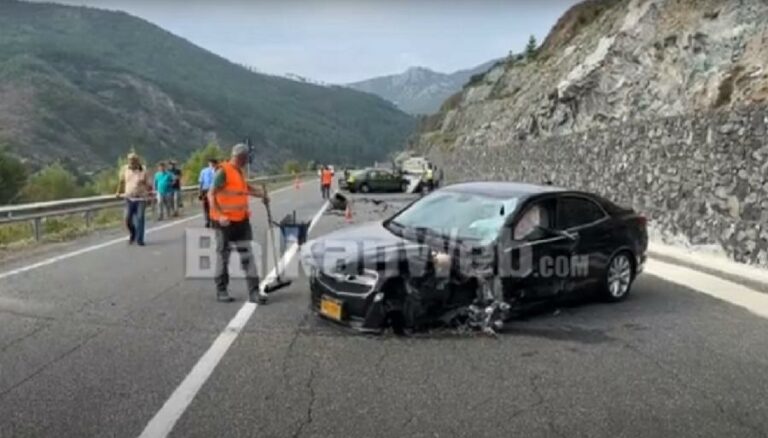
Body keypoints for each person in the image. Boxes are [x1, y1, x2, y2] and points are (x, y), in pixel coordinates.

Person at [209, 144, 270, 304]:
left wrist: (261, 194)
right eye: (247, 157)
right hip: (224, 223)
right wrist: (220, 215)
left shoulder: (238, 172)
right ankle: (221, 290)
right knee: (223, 256)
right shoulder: (223, 171)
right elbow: (211, 194)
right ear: (241, 157)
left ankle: (254, 292)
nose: (248, 160)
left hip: (241, 221)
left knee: (248, 256)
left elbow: (246, 188)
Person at [115, 152, 152, 246]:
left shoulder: (143, 170)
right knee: (127, 219)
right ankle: (133, 233)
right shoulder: (125, 169)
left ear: (137, 161)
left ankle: (140, 239)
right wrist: (118, 192)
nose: (131, 162)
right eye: (130, 160)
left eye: (133, 160)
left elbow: (148, 185)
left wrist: (150, 196)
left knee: (140, 218)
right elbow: (121, 181)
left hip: (141, 198)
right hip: (129, 198)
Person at [198, 158, 218, 228]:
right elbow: (201, 182)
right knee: (206, 206)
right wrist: (200, 192)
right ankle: (208, 220)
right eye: (210, 163)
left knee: (211, 206)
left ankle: (212, 220)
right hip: (206, 190)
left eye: (212, 163)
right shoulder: (204, 171)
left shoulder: (217, 171)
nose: (211, 165)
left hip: (213, 190)